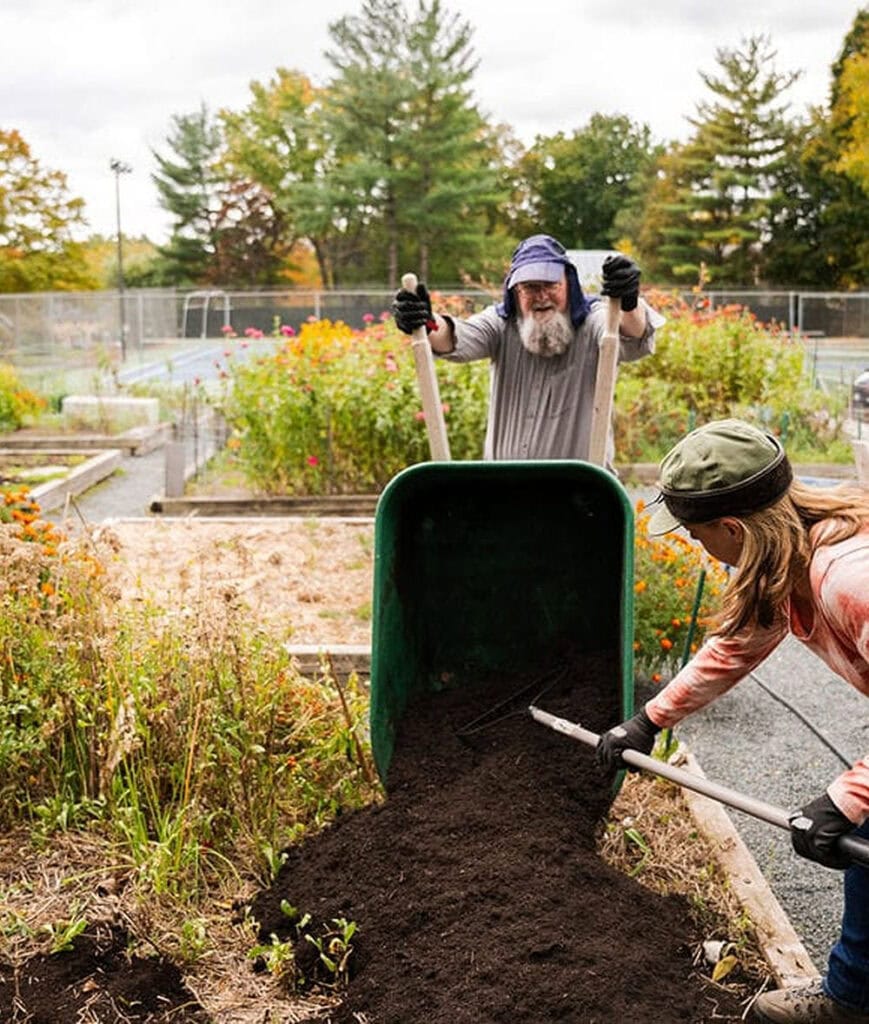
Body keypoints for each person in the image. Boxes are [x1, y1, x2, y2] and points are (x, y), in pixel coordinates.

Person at [595, 419, 869, 1024]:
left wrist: (849, 796)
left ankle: (851, 1000)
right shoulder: (794, 552)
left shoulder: (849, 578)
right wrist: (649, 719)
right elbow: (739, 643)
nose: (697, 546)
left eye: (695, 535)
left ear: (734, 528)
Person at [390, 234, 664, 464]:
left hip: (581, 495)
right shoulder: (500, 324)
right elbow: (455, 337)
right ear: (515, 291)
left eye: (550, 285)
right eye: (530, 288)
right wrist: (426, 322)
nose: (541, 296)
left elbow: (631, 333)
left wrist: (628, 302)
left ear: (569, 283)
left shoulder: (592, 321)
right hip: (508, 493)